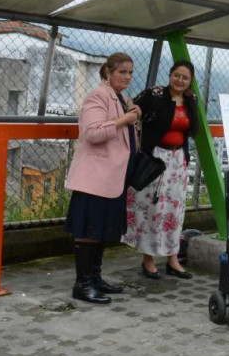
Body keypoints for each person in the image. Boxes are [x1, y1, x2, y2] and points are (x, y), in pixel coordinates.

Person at [65, 52, 140, 304]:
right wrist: (124, 120)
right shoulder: (97, 96)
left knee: (99, 231)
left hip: (110, 178)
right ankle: (82, 284)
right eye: (122, 72)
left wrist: (131, 117)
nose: (128, 77)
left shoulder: (120, 98)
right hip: (94, 180)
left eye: (130, 72)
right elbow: (92, 133)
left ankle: (94, 278)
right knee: (88, 231)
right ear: (108, 72)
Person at [122, 61, 199, 280]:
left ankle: (173, 259)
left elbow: (193, 129)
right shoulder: (154, 94)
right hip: (155, 159)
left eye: (185, 77)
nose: (180, 80)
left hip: (177, 161)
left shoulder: (191, 100)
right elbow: (130, 106)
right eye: (176, 75)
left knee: (175, 211)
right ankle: (148, 259)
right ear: (170, 75)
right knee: (152, 209)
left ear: (190, 81)